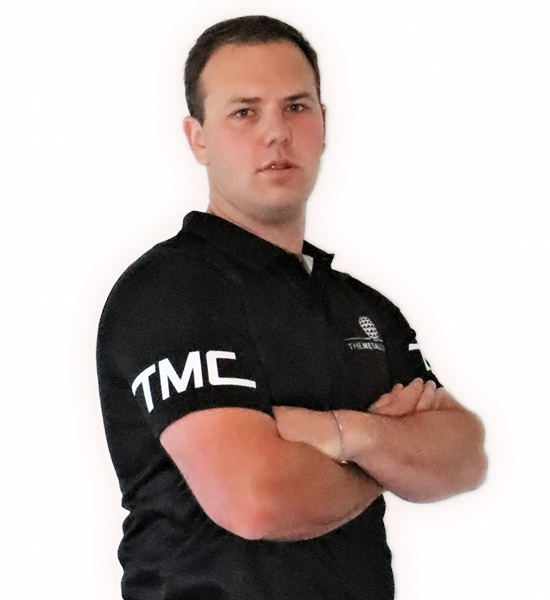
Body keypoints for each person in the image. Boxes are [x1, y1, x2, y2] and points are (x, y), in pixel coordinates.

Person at [96, 15, 487, 600]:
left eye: (296, 107)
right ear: (197, 137)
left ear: (324, 123)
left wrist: (342, 433)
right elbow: (255, 499)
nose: (276, 132)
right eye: (244, 112)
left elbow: (465, 456)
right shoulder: (169, 292)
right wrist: (392, 459)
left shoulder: (363, 306)